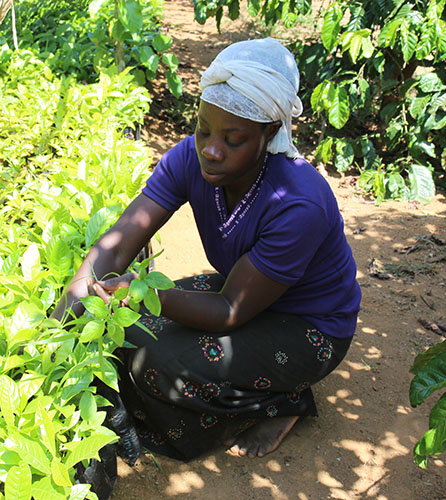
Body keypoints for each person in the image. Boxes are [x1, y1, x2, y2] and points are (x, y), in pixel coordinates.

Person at [53, 37, 361, 463]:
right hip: (245, 291)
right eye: (203, 130)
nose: (211, 150)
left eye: (233, 140)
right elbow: (120, 238)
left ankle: (285, 403)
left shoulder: (297, 202)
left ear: (270, 133)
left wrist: (146, 294)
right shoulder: (190, 159)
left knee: (157, 362)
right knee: (129, 328)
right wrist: (71, 302)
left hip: (310, 325)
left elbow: (229, 310)